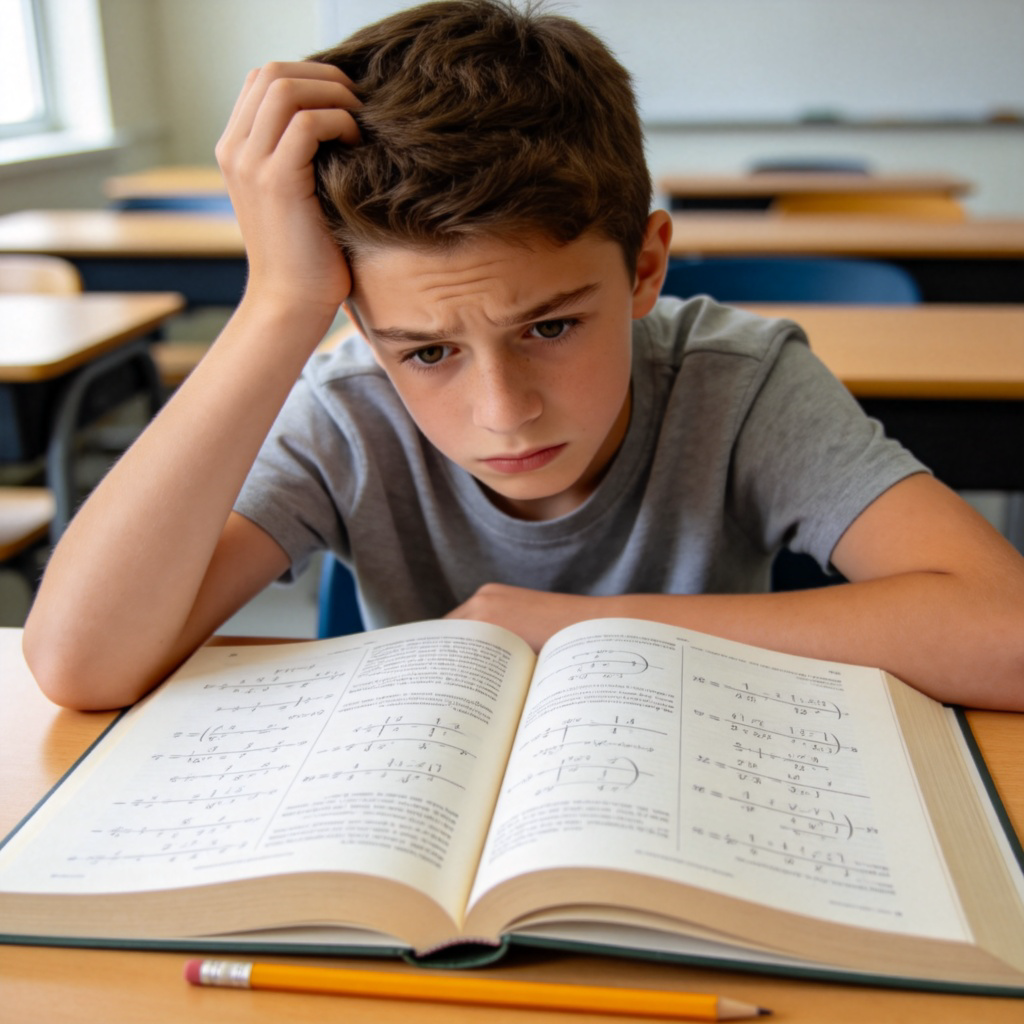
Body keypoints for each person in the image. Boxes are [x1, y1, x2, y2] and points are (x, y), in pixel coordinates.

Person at [23, 0, 1024, 712]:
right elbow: (79, 663)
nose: (503, 411)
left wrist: (589, 625)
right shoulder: (347, 409)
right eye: (424, 351)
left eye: (549, 327)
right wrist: (281, 302)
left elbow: (1007, 635)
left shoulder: (739, 382)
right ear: (360, 323)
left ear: (643, 267)